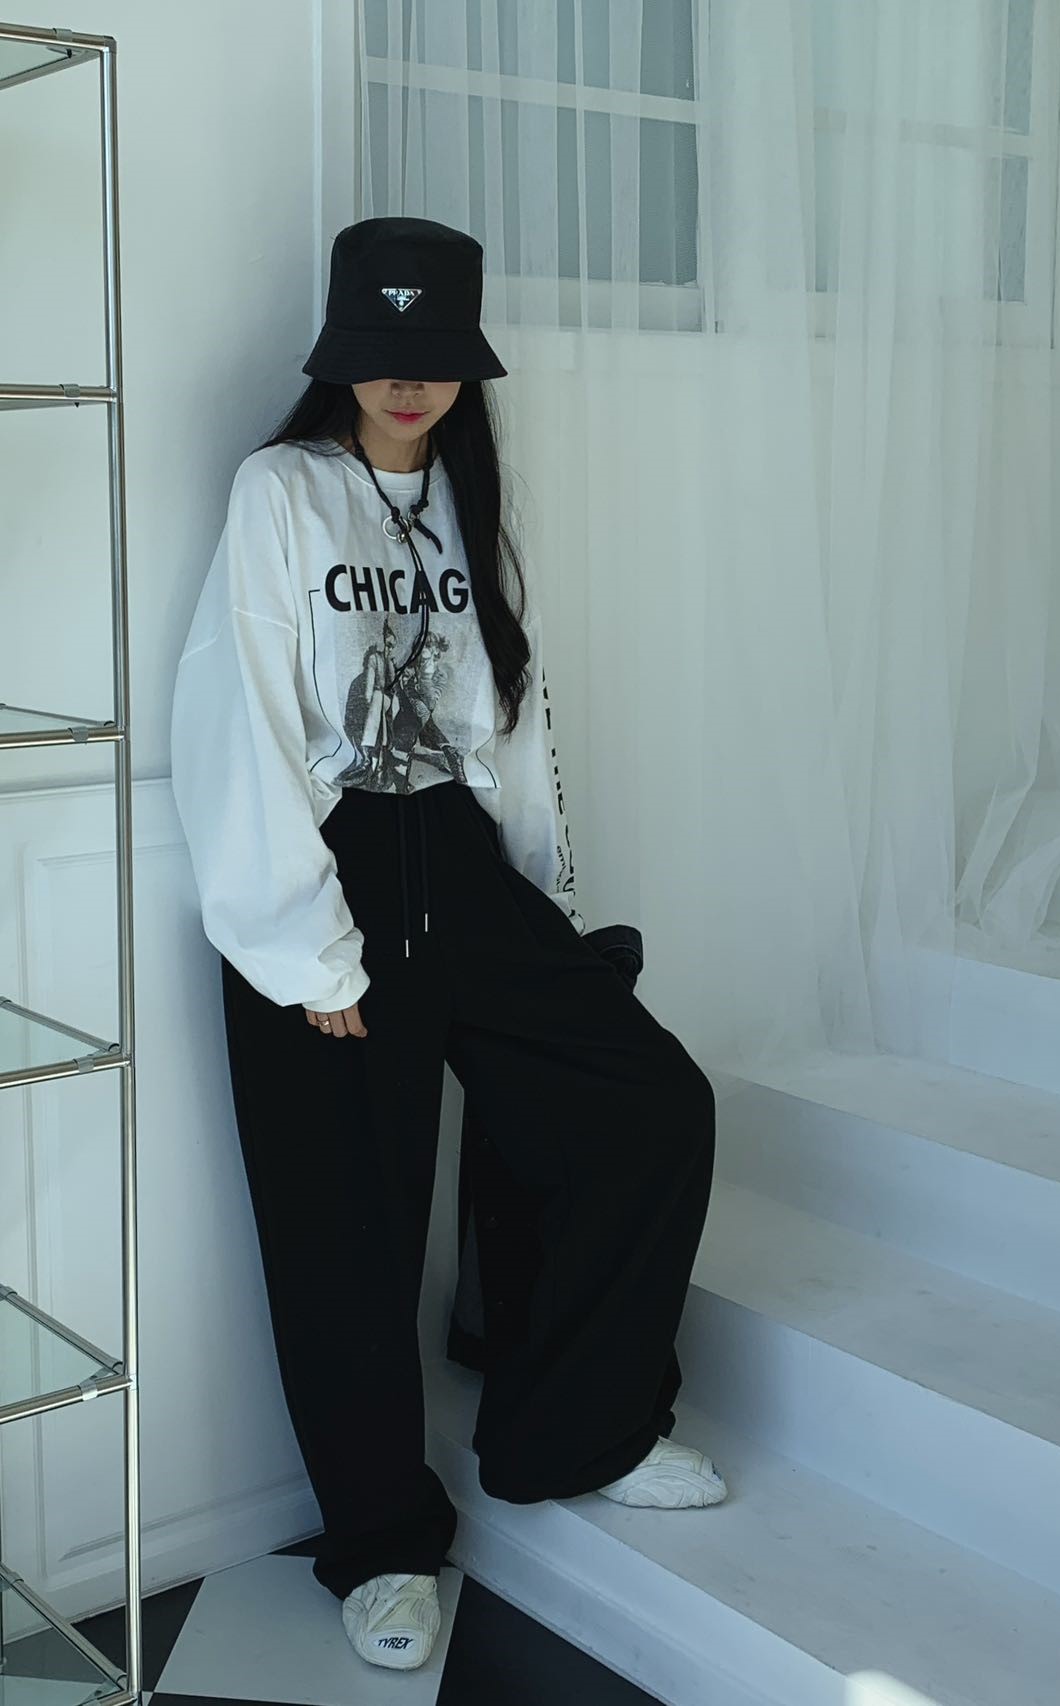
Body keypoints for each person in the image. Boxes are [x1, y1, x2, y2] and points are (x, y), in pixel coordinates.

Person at [168, 217, 722, 1674]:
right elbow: (239, 713)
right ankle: (382, 1545)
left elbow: (506, 718)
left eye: (432, 359)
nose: (406, 385)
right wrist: (309, 949)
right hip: (328, 869)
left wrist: (546, 906)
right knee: (345, 1228)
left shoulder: (466, 500)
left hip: (460, 866)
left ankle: (577, 1430)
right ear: (340, 356)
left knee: (648, 1106)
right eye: (380, 354)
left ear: (464, 368)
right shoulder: (283, 491)